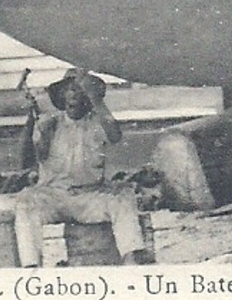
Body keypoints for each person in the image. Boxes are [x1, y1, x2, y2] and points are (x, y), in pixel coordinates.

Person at [11, 68, 152, 266]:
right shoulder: (50, 123)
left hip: (90, 197)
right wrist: (32, 125)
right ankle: (32, 266)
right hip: (54, 197)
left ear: (90, 98)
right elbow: (26, 160)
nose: (75, 94)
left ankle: (131, 261)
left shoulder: (97, 123)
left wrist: (97, 101)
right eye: (70, 89)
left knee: (124, 197)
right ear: (62, 96)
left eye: (82, 90)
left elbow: (115, 135)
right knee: (25, 202)